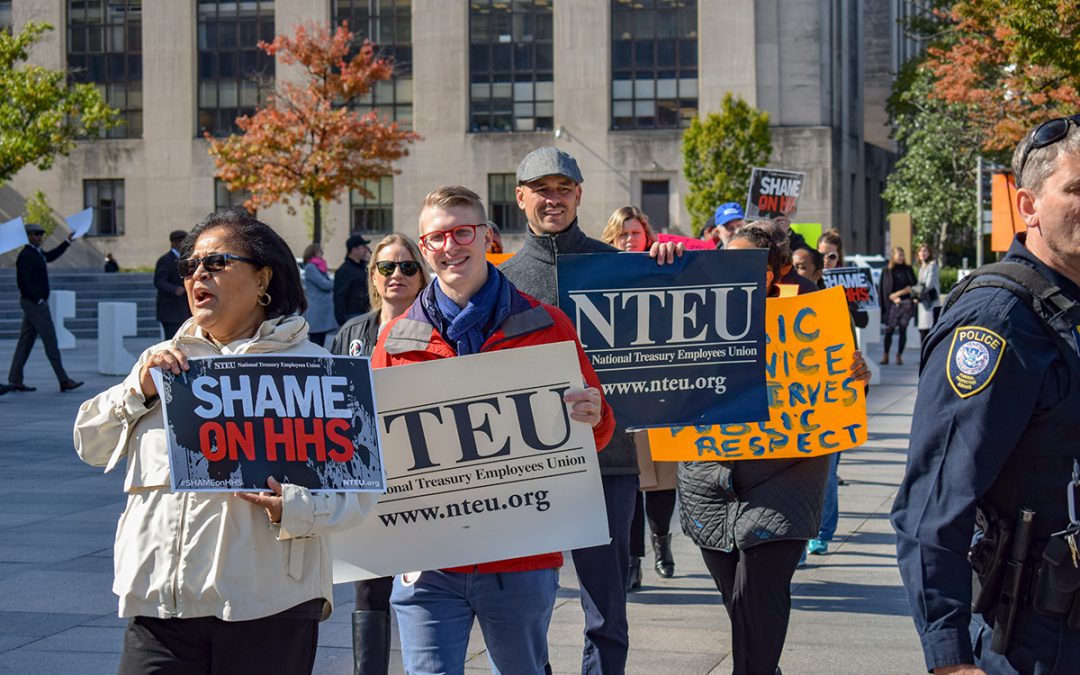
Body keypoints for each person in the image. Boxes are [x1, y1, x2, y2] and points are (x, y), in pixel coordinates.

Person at [73, 209, 376, 674]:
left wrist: (292, 506)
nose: (198, 274)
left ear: (263, 279)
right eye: (190, 265)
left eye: (216, 262)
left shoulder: (316, 368)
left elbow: (358, 495)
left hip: (268, 611)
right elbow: (89, 445)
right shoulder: (163, 366)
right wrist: (137, 389)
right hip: (161, 611)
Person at [372, 186, 614, 674]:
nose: (450, 246)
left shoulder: (548, 325)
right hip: (427, 562)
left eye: (462, 232)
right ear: (424, 247)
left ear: (487, 237)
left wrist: (596, 415)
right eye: (437, 236)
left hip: (519, 556)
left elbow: (596, 434)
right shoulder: (394, 339)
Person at [891, 116, 1080, 674]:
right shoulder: (998, 322)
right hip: (1034, 639)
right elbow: (933, 505)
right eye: (1076, 190)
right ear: (1028, 206)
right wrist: (949, 658)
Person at [501, 146, 683, 673]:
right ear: (521, 198)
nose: (553, 199)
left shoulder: (624, 267)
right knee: (525, 606)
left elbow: (674, 315)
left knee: (607, 610)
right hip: (527, 467)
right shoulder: (501, 282)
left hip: (611, 463)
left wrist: (672, 265)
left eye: (563, 189)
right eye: (542, 189)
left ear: (579, 195)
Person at [679, 221, 870, 674]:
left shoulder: (807, 316)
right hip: (710, 478)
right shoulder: (688, 316)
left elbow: (836, 391)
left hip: (787, 475)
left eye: (739, 260)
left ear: (767, 274)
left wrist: (853, 376)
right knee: (739, 601)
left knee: (757, 594)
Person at [331, 232, 429, 675]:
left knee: (425, 587)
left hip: (425, 476)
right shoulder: (353, 332)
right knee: (368, 588)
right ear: (373, 276)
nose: (397, 275)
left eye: (408, 266)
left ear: (422, 275)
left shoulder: (439, 328)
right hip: (366, 474)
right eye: (387, 267)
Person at [600, 206, 678, 588]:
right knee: (629, 482)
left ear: (647, 236)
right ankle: (633, 560)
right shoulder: (600, 274)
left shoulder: (661, 267)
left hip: (659, 391)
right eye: (622, 235)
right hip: (621, 397)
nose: (630, 240)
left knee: (664, 480)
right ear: (612, 239)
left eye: (635, 233)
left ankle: (662, 542)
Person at [6, 222, 82, 393]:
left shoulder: (37, 253)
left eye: (41, 233)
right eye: (35, 234)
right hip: (34, 304)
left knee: (25, 343)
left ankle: (15, 379)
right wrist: (38, 300)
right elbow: (22, 282)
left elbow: (50, 256)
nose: (39, 237)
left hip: (34, 303)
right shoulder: (25, 255)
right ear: (28, 236)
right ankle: (63, 380)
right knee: (50, 341)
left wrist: (67, 241)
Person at [879, 246, 917, 365]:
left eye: (902, 255)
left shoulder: (908, 269)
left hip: (906, 304)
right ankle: (885, 355)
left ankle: (899, 355)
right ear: (893, 256)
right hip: (892, 305)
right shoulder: (887, 270)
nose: (901, 257)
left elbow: (913, 286)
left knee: (902, 329)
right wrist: (891, 298)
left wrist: (900, 294)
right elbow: (883, 289)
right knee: (889, 330)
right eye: (899, 255)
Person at [154, 229, 192, 340]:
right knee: (172, 342)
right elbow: (159, 281)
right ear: (175, 243)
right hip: (171, 312)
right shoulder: (165, 260)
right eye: (184, 242)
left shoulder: (186, 259)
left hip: (185, 310)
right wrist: (175, 289)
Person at [301, 243, 337, 348]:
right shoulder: (310, 267)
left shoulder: (319, 267)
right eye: (320, 251)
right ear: (314, 253)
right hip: (316, 310)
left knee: (321, 341)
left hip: (322, 311)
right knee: (316, 343)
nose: (322, 254)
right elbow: (324, 284)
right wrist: (337, 283)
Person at [334, 234, 372, 326]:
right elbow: (339, 297)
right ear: (354, 250)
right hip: (352, 316)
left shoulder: (362, 267)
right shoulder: (345, 270)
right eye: (363, 247)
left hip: (366, 313)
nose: (365, 250)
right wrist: (343, 321)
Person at [914, 242, 941, 347]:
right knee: (922, 331)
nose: (922, 253)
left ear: (929, 253)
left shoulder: (932, 265)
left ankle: (927, 357)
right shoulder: (922, 266)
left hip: (930, 302)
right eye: (920, 251)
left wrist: (913, 290)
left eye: (925, 250)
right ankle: (923, 356)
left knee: (928, 330)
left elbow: (928, 284)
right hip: (922, 302)